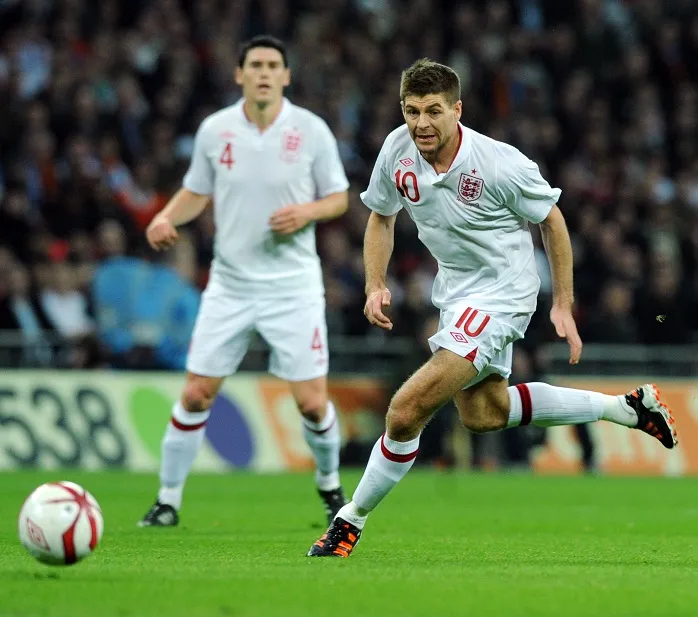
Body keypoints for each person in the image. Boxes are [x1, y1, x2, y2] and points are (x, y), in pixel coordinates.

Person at [308, 59, 678, 558]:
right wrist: (375, 283)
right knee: (485, 413)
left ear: (457, 110)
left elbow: (553, 221)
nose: (421, 123)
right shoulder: (397, 148)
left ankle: (348, 521)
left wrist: (563, 305)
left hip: (504, 292)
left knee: (405, 410)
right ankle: (625, 408)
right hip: (456, 293)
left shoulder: (499, 163)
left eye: (434, 111)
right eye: (412, 111)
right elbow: (380, 217)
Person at [139, 36, 350, 527]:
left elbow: (339, 196)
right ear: (239, 75)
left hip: (292, 287)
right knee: (196, 394)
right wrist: (166, 218)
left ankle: (330, 488)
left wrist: (308, 211)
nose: (263, 72)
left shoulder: (311, 130)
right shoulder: (216, 130)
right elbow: (197, 191)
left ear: (286, 76)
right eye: (255, 64)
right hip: (230, 285)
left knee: (313, 404)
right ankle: (167, 500)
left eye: (273, 65)